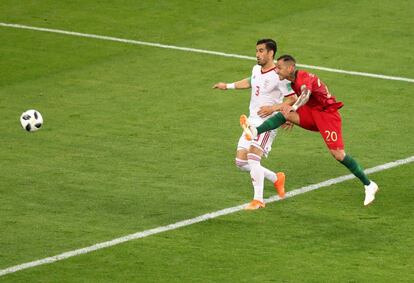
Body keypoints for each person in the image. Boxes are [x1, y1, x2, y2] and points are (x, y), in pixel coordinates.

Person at [240, 54, 379, 206]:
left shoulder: (304, 78)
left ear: (290, 68)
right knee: (285, 113)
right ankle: (255, 131)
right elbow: (300, 100)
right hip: (312, 112)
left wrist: (293, 108)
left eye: (279, 68)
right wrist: (291, 114)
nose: (277, 71)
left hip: (327, 115)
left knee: (338, 155)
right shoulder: (291, 81)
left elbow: (305, 95)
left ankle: (369, 184)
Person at [213, 39, 296, 210]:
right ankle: (276, 178)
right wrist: (226, 86)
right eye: (257, 51)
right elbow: (251, 81)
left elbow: (292, 98)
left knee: (253, 157)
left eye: (261, 51)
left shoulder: (279, 75)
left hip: (268, 123)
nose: (257, 54)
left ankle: (258, 200)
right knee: (240, 162)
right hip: (251, 122)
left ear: (271, 53)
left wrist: (280, 111)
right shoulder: (256, 69)